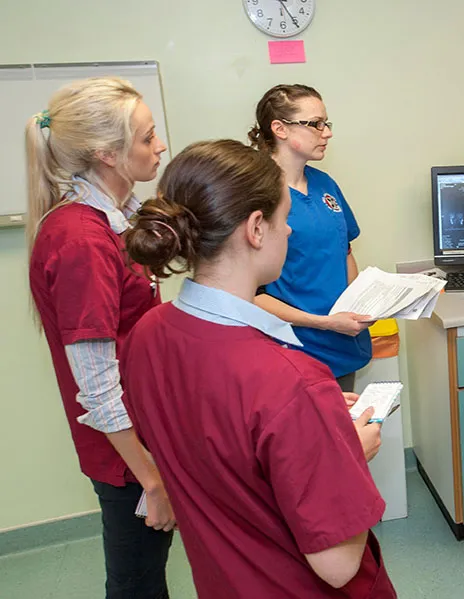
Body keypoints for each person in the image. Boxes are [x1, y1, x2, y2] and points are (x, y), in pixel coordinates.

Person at [120, 139, 395, 598]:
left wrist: (315, 427)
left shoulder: (147, 334)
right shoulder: (292, 380)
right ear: (255, 229)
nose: (288, 232)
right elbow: (339, 565)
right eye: (285, 220)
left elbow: (208, 444)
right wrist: (343, 451)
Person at [26, 77, 175, 599]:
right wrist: (151, 479)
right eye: (147, 137)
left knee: (146, 573)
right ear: (106, 154)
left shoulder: (119, 215)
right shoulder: (81, 240)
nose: (160, 146)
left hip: (145, 430)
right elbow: (96, 384)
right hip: (126, 452)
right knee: (136, 584)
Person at [249, 84, 372, 393]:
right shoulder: (256, 197)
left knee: (347, 435)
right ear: (279, 129)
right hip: (294, 350)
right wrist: (326, 323)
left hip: (343, 341)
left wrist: (356, 305)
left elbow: (344, 252)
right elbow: (250, 294)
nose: (326, 132)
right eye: (316, 124)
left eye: (326, 123)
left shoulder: (324, 184)